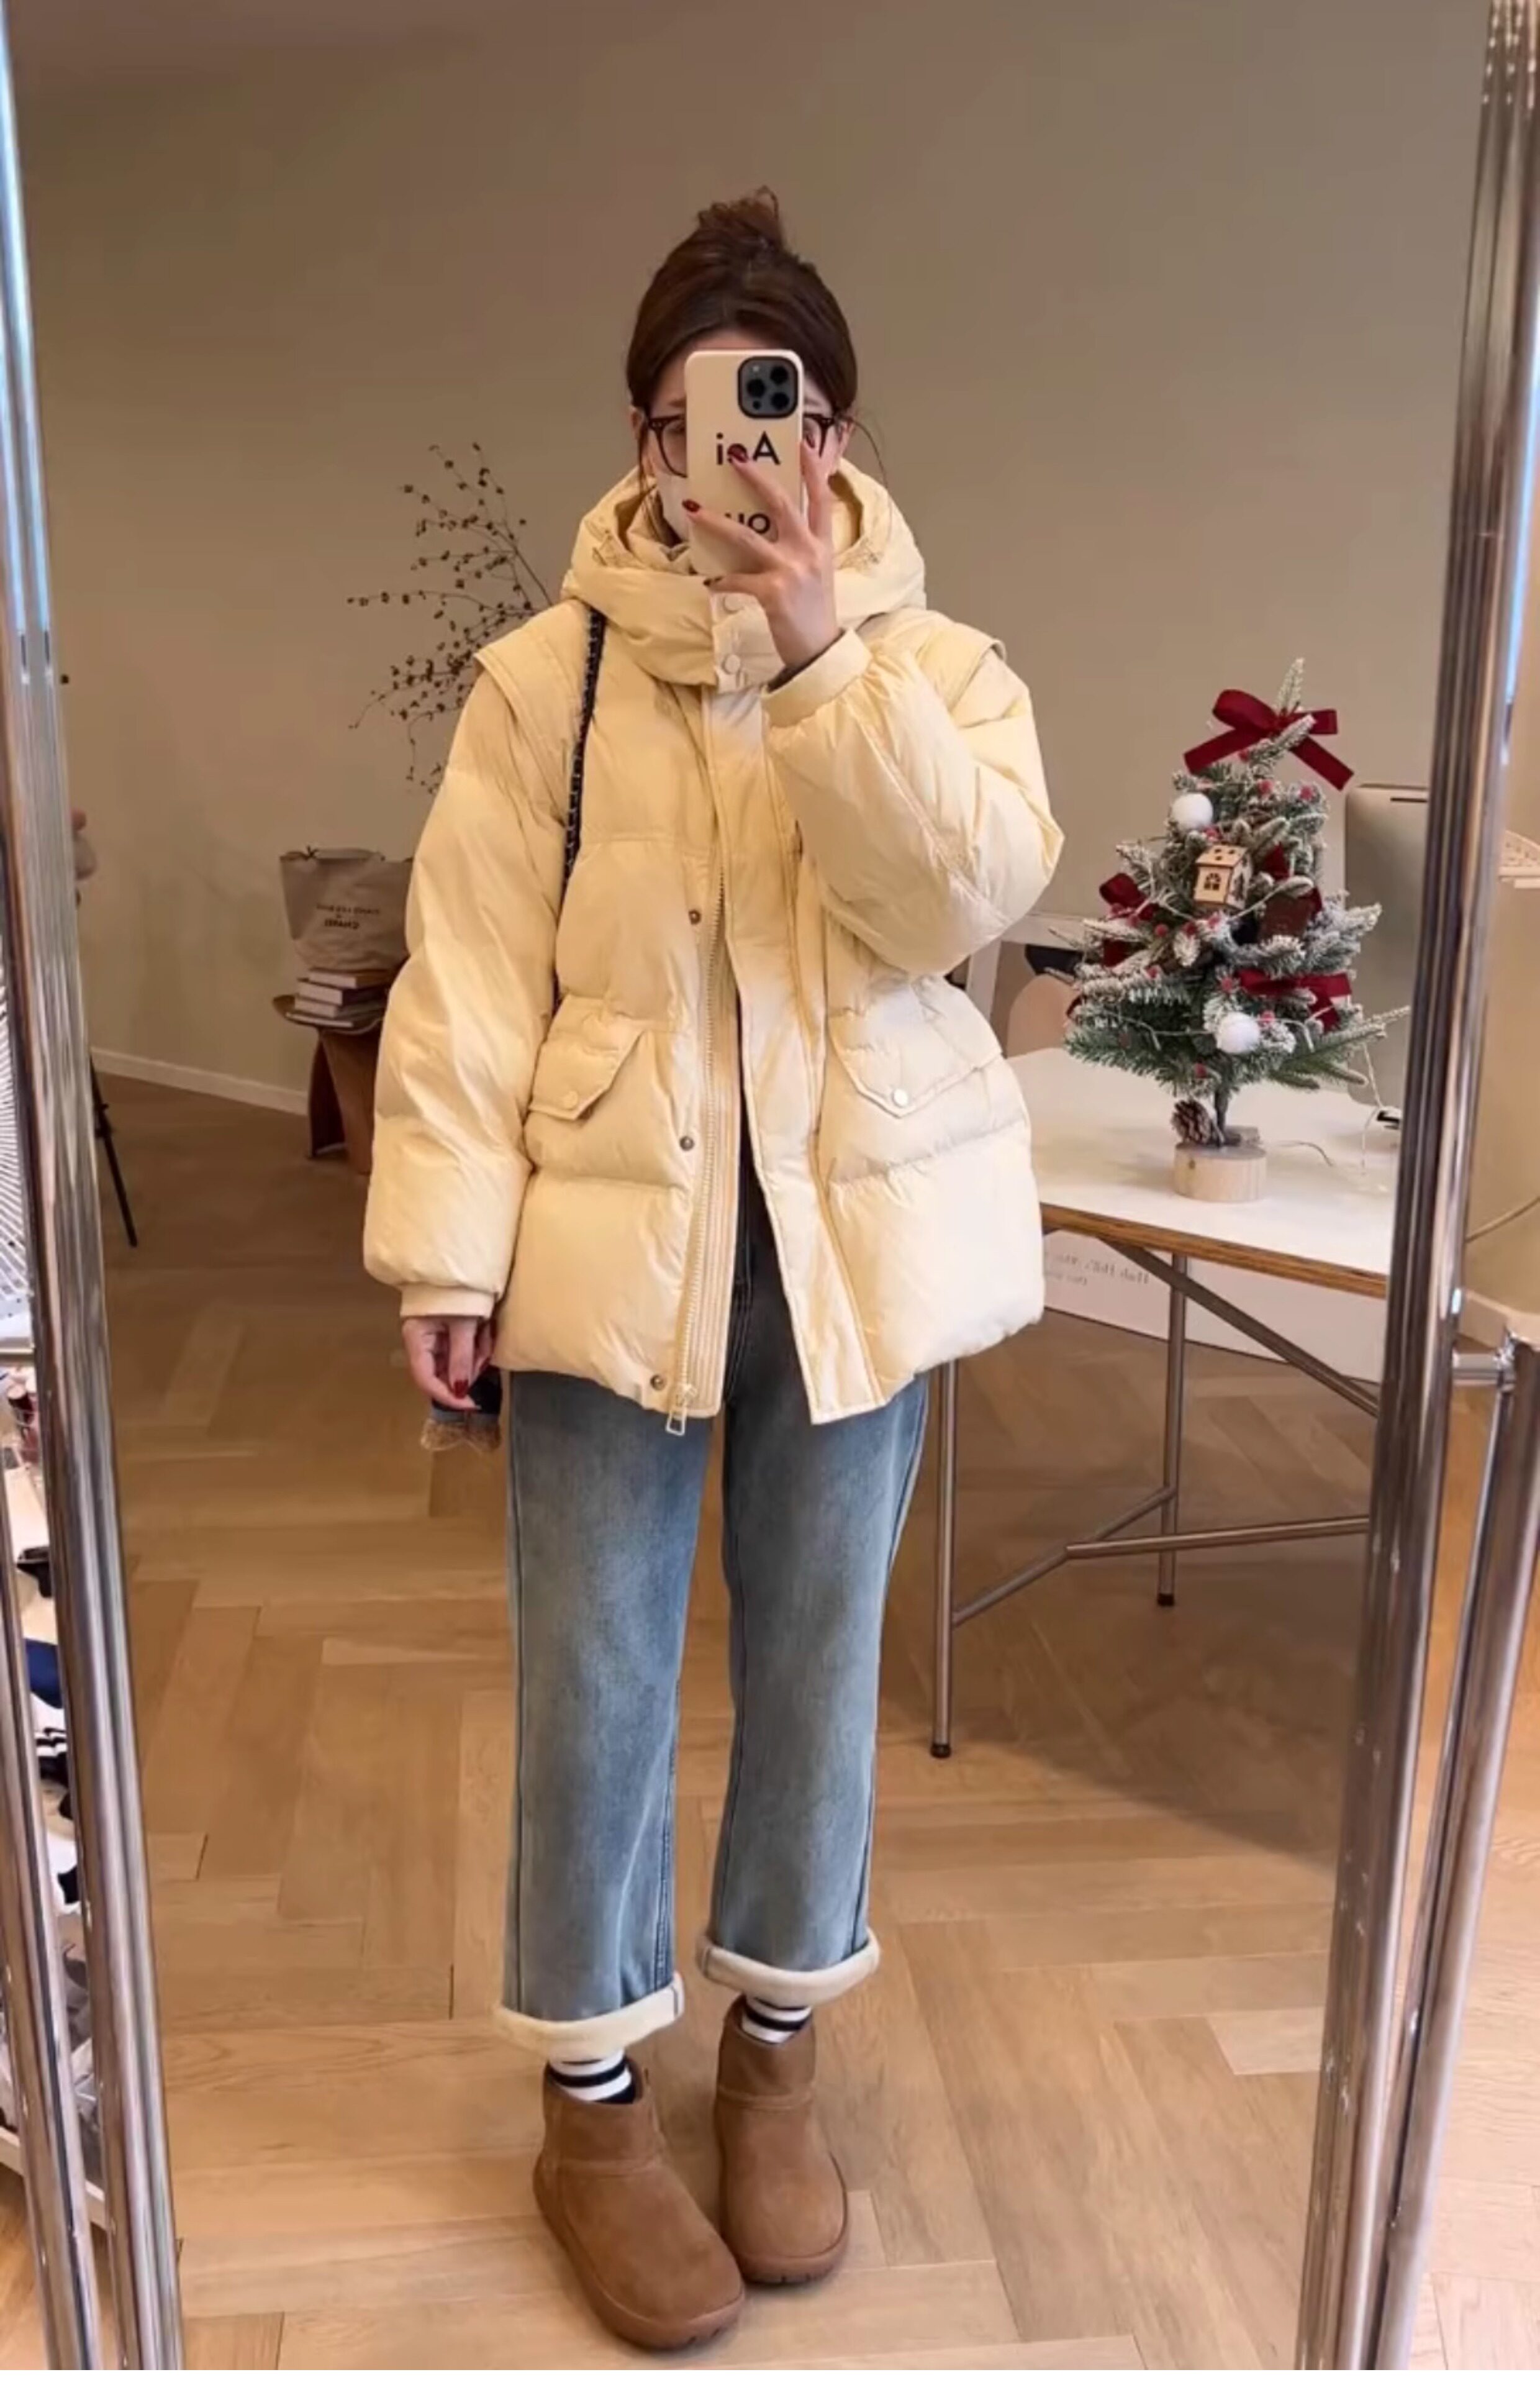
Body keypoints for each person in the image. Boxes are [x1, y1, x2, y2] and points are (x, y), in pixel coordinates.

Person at [365, 191, 1061, 2352]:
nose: (756, 452)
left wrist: (822, 654)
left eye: (793, 410)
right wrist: (444, 1254)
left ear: (834, 434)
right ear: (647, 437)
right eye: (712, 415)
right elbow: (468, 980)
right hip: (610, 1239)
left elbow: (954, 907)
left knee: (825, 1661)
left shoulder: (938, 670)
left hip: (850, 1254)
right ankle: (589, 2106)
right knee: (593, 1674)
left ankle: (776, 2059)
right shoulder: (540, 684)